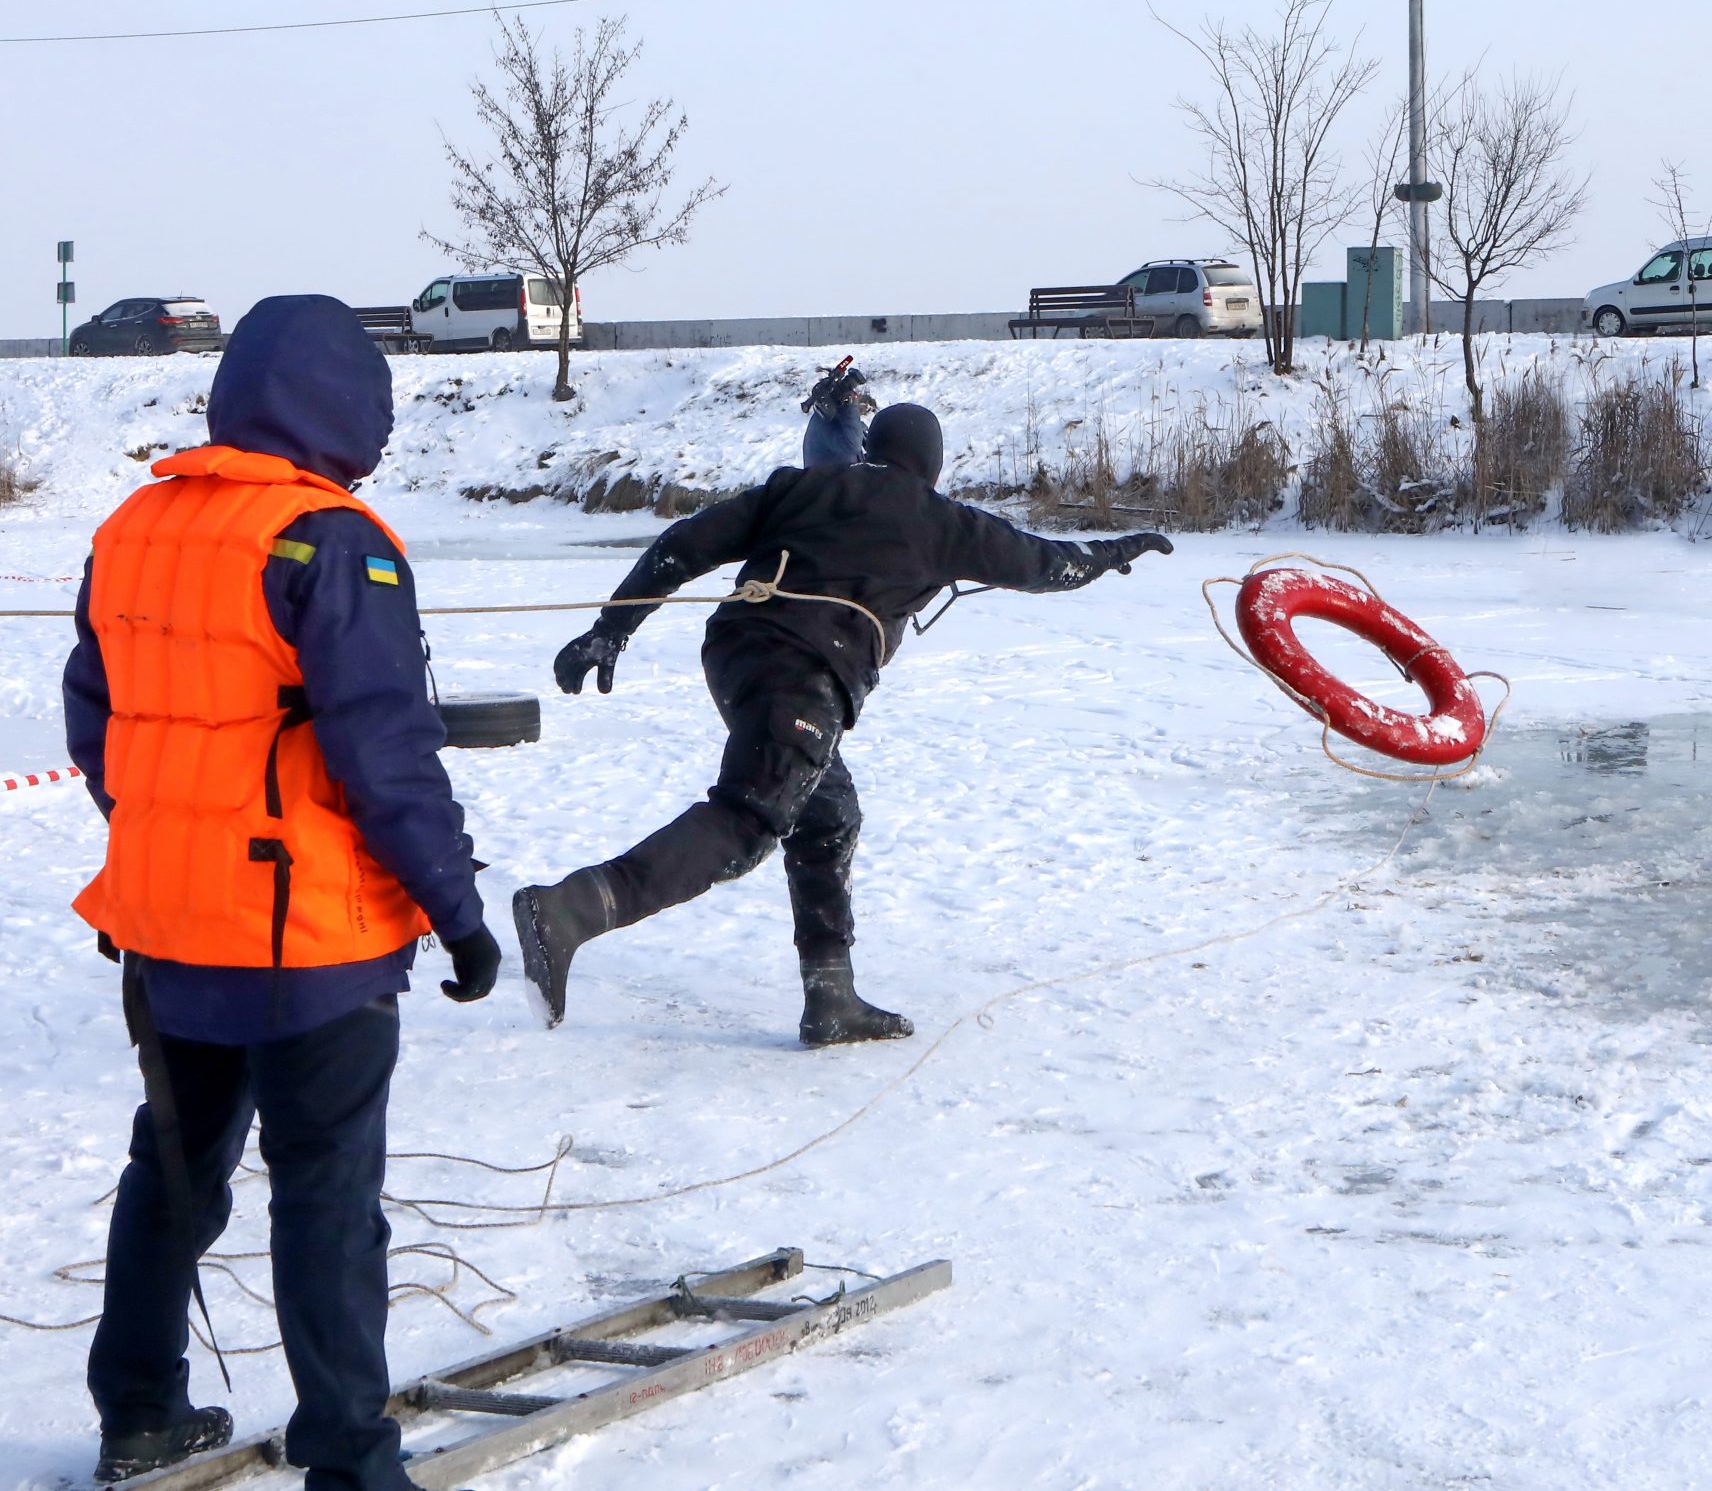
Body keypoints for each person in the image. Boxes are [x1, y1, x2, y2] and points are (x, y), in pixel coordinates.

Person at [65, 296, 501, 1489]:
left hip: (165, 926)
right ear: (340, 402)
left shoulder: (133, 526)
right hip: (308, 941)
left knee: (174, 1169)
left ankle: (141, 1411)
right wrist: (457, 911)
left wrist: (162, 839)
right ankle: (353, 1463)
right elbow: (387, 757)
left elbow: (97, 725)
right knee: (326, 1198)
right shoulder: (330, 539)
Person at [513, 398, 1172, 1043]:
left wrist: (612, 626)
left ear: (871, 449)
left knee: (828, 813)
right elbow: (1042, 564)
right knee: (749, 819)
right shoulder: (940, 521)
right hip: (803, 673)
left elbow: (685, 543)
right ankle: (572, 908)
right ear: (930, 466)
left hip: (736, 656)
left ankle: (831, 996)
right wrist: (1115, 550)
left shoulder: (800, 486)